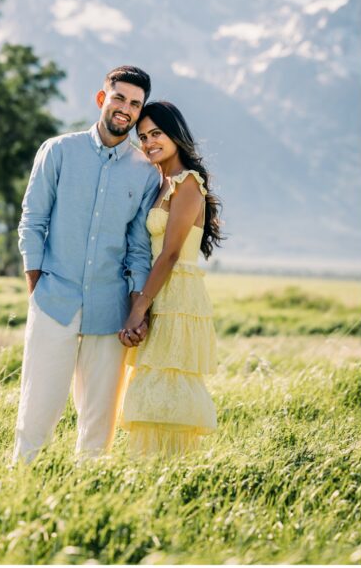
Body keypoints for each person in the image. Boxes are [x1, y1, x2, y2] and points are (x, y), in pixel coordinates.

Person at [12, 66, 162, 464]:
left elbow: (138, 250)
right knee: (38, 403)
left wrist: (134, 310)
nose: (125, 109)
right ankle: (21, 477)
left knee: (99, 420)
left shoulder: (146, 173)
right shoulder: (58, 151)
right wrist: (37, 287)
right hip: (54, 299)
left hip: (110, 308)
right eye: (119, 98)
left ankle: (89, 489)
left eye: (135, 104)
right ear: (102, 99)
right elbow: (33, 220)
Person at [116, 100, 224, 455]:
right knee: (152, 381)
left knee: (169, 381)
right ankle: (150, 468)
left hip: (177, 294)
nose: (148, 143)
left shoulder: (188, 184)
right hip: (159, 289)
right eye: (143, 136)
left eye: (156, 134)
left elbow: (171, 253)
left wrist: (137, 309)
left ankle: (172, 467)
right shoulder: (162, 182)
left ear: (175, 134)